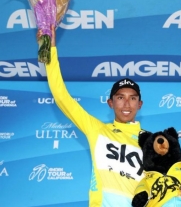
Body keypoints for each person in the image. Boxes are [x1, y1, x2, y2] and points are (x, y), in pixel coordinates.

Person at [38, 26, 144, 207]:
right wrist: (50, 48)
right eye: (120, 98)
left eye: (132, 98)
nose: (126, 104)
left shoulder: (152, 141)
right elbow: (61, 95)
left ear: (139, 105)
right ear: (110, 103)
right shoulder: (96, 129)